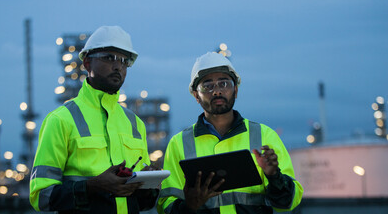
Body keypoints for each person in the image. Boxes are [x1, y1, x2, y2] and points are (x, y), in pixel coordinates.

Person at [30, 26, 159, 213]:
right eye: (109, 58)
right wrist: (91, 186)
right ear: (87, 63)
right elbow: (41, 197)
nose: (118, 66)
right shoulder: (60, 120)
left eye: (124, 61)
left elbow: (142, 204)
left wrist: (150, 186)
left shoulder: (135, 124)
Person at [157, 52, 303, 213]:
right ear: (196, 96)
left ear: (236, 90)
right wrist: (188, 207)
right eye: (207, 86)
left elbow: (290, 202)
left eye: (224, 84)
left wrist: (275, 177)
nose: (217, 91)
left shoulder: (265, 136)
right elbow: (166, 205)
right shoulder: (179, 144)